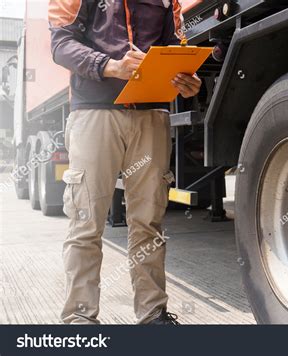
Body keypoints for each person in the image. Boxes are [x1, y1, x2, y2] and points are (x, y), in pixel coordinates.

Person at [48, 0, 202, 325]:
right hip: (95, 113)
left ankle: (152, 314)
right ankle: (80, 318)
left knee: (148, 222)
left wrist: (188, 80)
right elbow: (61, 45)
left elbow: (175, 49)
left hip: (151, 113)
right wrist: (110, 65)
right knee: (87, 222)